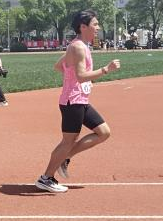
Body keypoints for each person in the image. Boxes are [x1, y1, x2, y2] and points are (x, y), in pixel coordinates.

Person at [35, 10, 120, 193]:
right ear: (83, 26)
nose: (98, 28)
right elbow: (81, 76)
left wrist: (71, 78)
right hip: (72, 101)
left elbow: (59, 66)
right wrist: (106, 69)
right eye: (95, 24)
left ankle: (65, 158)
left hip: (79, 99)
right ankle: (46, 178)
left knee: (103, 132)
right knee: (68, 141)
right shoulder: (78, 47)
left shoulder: (77, 46)